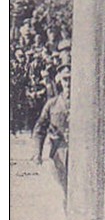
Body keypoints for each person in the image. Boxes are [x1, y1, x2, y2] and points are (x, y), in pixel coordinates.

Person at [32, 63, 71, 197]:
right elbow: (39, 129)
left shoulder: (84, 104)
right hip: (58, 154)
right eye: (66, 79)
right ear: (59, 80)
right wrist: (37, 153)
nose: (69, 83)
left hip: (80, 154)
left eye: (72, 79)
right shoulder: (52, 104)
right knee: (63, 192)